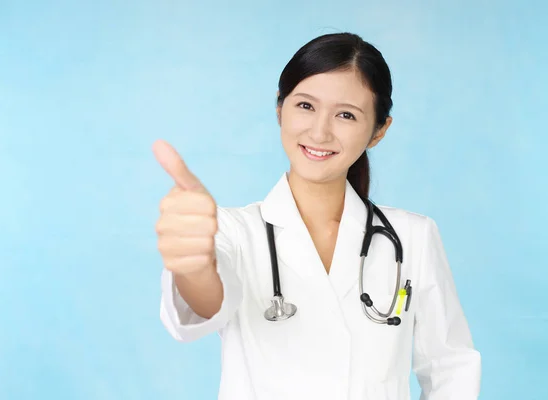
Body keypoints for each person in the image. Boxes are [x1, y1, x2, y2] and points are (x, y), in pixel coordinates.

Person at [153, 32, 481, 400]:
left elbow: (450, 368)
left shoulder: (413, 238)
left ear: (379, 131)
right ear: (280, 108)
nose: (320, 131)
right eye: (305, 106)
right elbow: (204, 305)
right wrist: (194, 266)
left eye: (346, 114)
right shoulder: (233, 232)